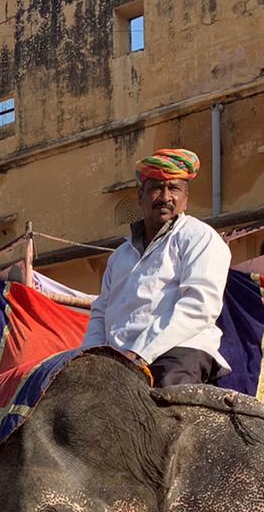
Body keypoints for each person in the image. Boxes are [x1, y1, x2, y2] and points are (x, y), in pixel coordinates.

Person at [83, 148, 231, 386]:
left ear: (185, 198)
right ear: (140, 196)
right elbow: (100, 313)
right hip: (120, 358)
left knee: (166, 397)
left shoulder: (199, 237)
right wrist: (89, 359)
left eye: (174, 188)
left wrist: (139, 353)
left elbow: (199, 306)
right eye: (156, 188)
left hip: (178, 349)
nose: (165, 197)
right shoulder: (120, 256)